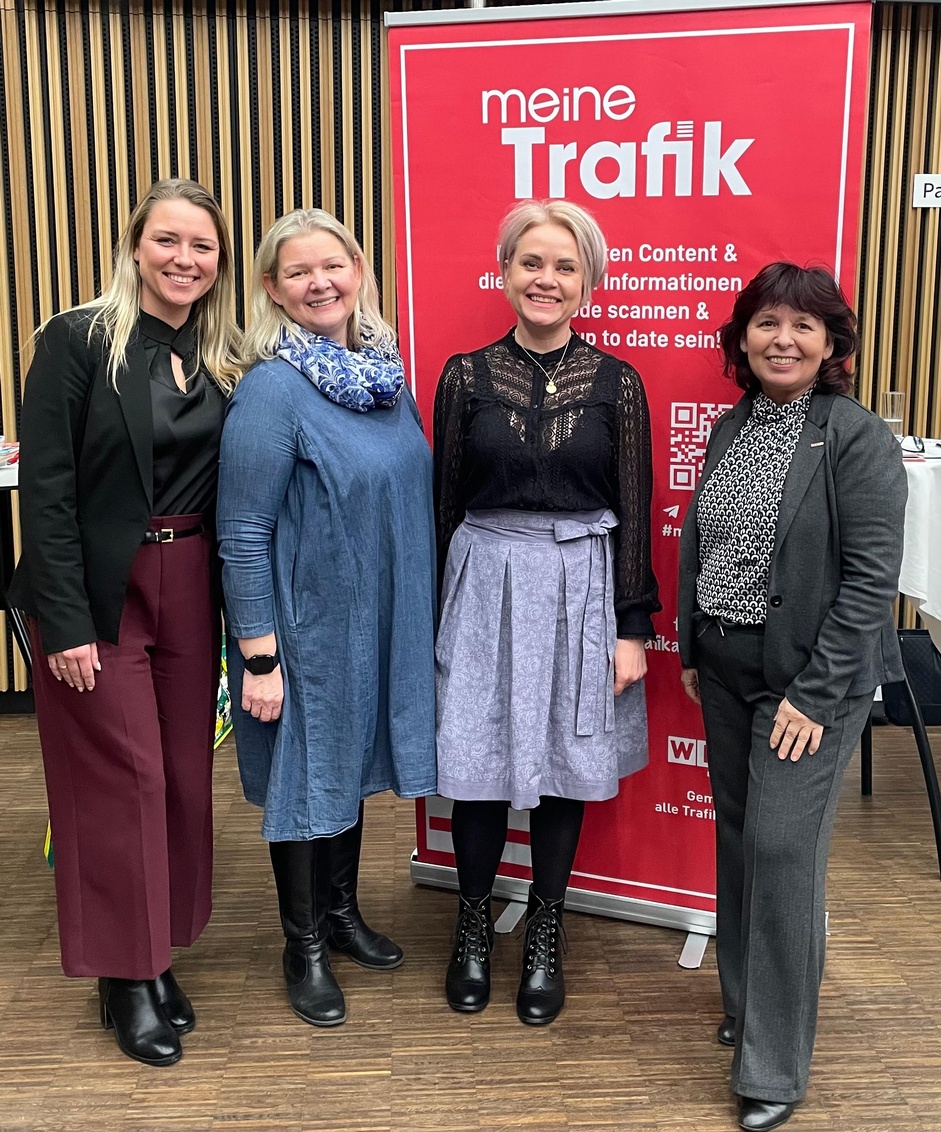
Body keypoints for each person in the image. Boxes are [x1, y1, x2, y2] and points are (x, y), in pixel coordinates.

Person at [9, 179, 242, 1066]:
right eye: (169, 241)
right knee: (123, 780)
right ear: (135, 246)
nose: (185, 260)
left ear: (221, 264)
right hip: (98, 589)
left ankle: (154, 952)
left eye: (204, 247)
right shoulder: (76, 341)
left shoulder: (223, 354)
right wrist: (63, 621)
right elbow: (50, 489)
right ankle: (123, 976)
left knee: (183, 775)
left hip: (192, 581)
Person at [677, 262, 907, 1132]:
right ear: (742, 339)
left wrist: (813, 695)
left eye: (803, 327)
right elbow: (707, 534)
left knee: (780, 856)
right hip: (725, 668)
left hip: (810, 686)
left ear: (831, 346)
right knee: (738, 844)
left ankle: (772, 1067)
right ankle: (743, 1010)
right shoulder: (733, 425)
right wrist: (698, 645)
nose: (783, 340)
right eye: (767, 324)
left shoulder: (853, 437)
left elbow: (868, 582)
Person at [434, 199, 659, 1025]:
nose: (546, 279)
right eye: (532, 262)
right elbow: (442, 506)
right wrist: (436, 617)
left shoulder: (617, 384)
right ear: (504, 271)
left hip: (583, 586)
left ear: (588, 284)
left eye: (565, 266)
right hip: (483, 577)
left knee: (565, 762)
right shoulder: (461, 376)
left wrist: (632, 628)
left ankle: (544, 931)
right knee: (481, 762)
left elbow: (636, 506)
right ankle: (469, 926)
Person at [217, 208, 437, 1028]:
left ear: (358, 271)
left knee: (348, 767)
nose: (320, 284)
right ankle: (301, 943)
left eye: (333, 266)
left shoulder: (382, 377)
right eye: (299, 272)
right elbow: (241, 533)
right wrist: (260, 657)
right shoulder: (273, 389)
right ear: (272, 289)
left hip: (378, 619)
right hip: (303, 634)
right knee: (307, 780)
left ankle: (340, 915)